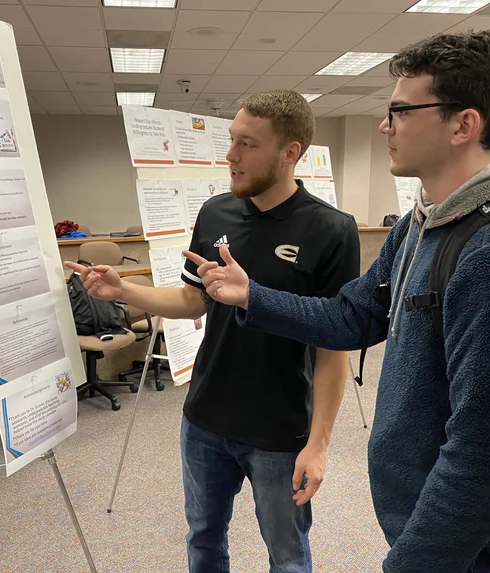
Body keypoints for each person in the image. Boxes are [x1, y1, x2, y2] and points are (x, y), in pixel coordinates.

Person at [184, 30, 490, 573]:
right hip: (423, 524)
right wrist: (252, 296)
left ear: (463, 125)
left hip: (468, 547)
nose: (385, 125)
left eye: (401, 111)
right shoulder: (421, 225)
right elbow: (351, 316)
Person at [66, 89, 360, 573]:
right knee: (203, 539)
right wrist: (125, 293)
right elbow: (192, 299)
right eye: (231, 140)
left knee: (287, 555)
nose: (230, 155)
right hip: (204, 418)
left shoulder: (331, 230)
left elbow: (334, 347)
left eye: (248, 144)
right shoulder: (216, 213)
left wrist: (319, 444)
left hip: (279, 430)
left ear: (290, 153)